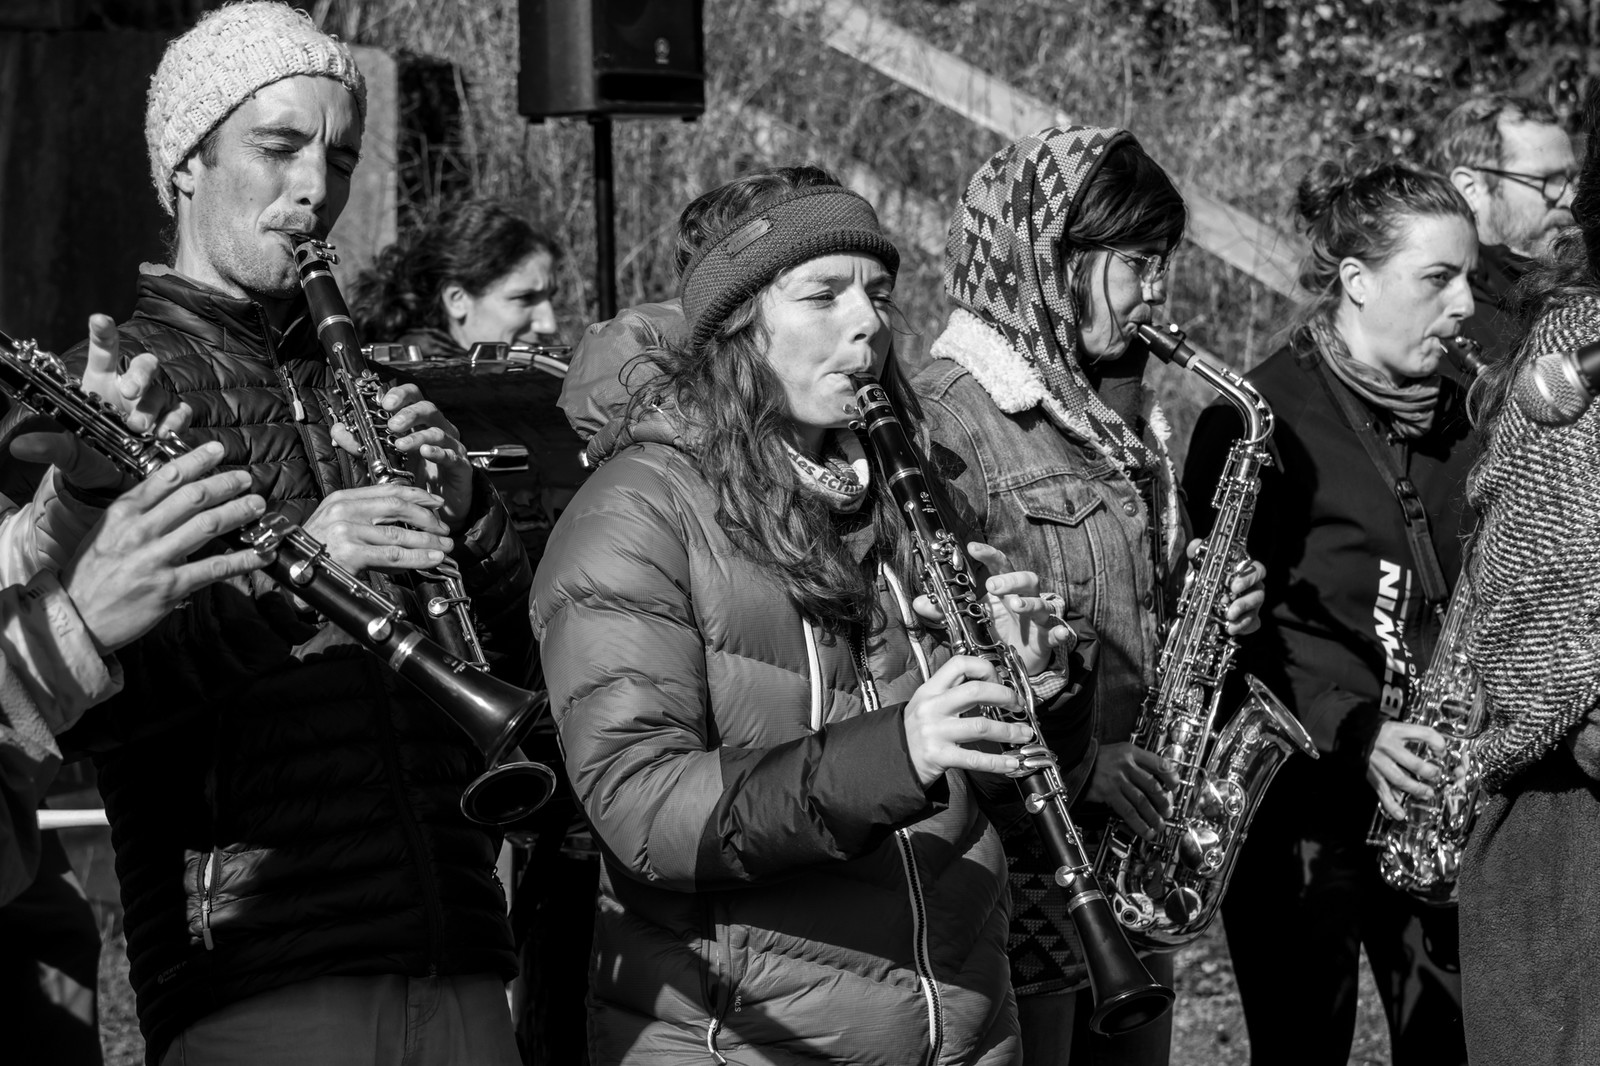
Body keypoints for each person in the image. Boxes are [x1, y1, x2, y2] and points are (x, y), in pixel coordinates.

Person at [56, 4, 534, 1063]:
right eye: (278, 148)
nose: (316, 188)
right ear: (188, 162)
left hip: (456, 951)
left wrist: (470, 517)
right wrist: (306, 568)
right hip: (258, 973)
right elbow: (91, 697)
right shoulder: (123, 390)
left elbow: (525, 675)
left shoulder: (364, 381)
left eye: (341, 156)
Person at [532, 168, 1079, 1065]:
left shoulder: (918, 490)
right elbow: (641, 809)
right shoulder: (635, 512)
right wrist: (898, 752)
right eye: (821, 295)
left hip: (969, 1028)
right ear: (738, 326)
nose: (866, 322)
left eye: (877, 294)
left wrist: (1035, 678)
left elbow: (992, 787)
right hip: (749, 1040)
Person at [912, 125, 1262, 1066]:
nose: (1159, 295)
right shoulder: (951, 419)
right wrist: (1081, 763)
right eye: (1137, 264)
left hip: (1131, 849)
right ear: (1045, 260)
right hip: (1021, 863)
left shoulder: (1117, 411)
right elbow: (940, 650)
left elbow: (1123, 605)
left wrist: (1203, 600)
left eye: (1165, 264)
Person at [1184, 157, 1479, 1065]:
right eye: (1439, 279)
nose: (1466, 303)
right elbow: (1225, 638)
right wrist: (1355, 733)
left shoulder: (1472, 410)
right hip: (1300, 805)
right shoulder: (1258, 420)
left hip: (1436, 797)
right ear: (1355, 281)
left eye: (1468, 276)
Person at [1455, 81, 1600, 1066]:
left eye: (1571, 179)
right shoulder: (1555, 345)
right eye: (1540, 179)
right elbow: (1531, 578)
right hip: (1549, 793)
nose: (1561, 200)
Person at [1425, 93, 1576, 366]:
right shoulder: (1440, 331)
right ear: (1471, 189)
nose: (1571, 199)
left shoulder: (1586, 274)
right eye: (1548, 180)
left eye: (1572, 179)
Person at [349, 197, 562, 358]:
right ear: (457, 300)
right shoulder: (413, 396)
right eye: (524, 298)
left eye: (549, 298)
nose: (549, 324)